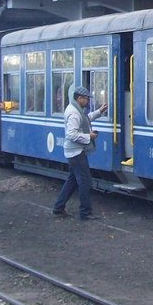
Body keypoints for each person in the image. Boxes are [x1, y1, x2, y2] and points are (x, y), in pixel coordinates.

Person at [52, 84, 107, 220]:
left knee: (72, 180)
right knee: (85, 182)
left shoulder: (75, 109)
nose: (87, 101)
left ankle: (58, 207)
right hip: (75, 152)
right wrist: (89, 136)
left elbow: (85, 119)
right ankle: (85, 212)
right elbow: (71, 134)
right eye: (86, 99)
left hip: (74, 151)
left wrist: (99, 112)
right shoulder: (74, 113)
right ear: (79, 98)